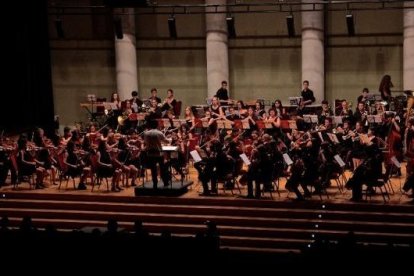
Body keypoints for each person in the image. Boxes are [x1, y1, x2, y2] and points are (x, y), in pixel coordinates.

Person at [144, 119, 170, 188]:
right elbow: (166, 142)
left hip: (150, 154)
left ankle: (155, 184)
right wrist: (169, 139)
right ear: (157, 125)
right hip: (159, 154)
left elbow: (146, 143)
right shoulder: (159, 133)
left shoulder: (146, 133)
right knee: (162, 169)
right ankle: (165, 183)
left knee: (153, 170)